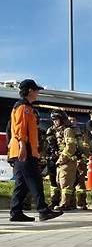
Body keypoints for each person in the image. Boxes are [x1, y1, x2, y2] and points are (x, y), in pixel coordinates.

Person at [8, 79, 63, 222]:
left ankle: (16, 212)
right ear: (30, 91)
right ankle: (43, 210)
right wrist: (22, 146)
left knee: (22, 183)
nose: (38, 93)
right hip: (25, 151)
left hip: (25, 150)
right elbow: (19, 128)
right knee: (35, 180)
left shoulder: (27, 107)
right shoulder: (22, 107)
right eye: (36, 90)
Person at [52, 112, 80, 210]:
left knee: (65, 183)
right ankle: (71, 203)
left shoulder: (68, 130)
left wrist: (62, 158)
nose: (55, 122)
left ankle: (65, 203)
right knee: (60, 182)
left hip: (67, 161)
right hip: (62, 161)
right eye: (53, 120)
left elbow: (71, 147)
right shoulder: (59, 131)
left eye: (57, 120)